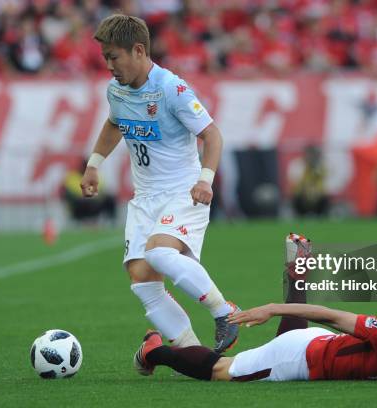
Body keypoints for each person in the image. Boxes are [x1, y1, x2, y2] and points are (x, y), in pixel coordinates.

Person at [80, 14, 239, 353]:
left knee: (160, 252)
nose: (108, 65)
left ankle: (224, 311)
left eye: (113, 56)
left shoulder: (171, 88)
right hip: (146, 198)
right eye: (105, 57)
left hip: (184, 192)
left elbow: (212, 135)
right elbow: (113, 123)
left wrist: (205, 180)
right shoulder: (117, 91)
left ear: (138, 50)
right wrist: (94, 164)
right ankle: (193, 352)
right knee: (142, 279)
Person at [133, 235, 377, 381]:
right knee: (222, 371)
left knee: (287, 341)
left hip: (313, 345)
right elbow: (333, 316)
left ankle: (297, 275)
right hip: (305, 358)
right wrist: (271, 308)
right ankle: (155, 351)